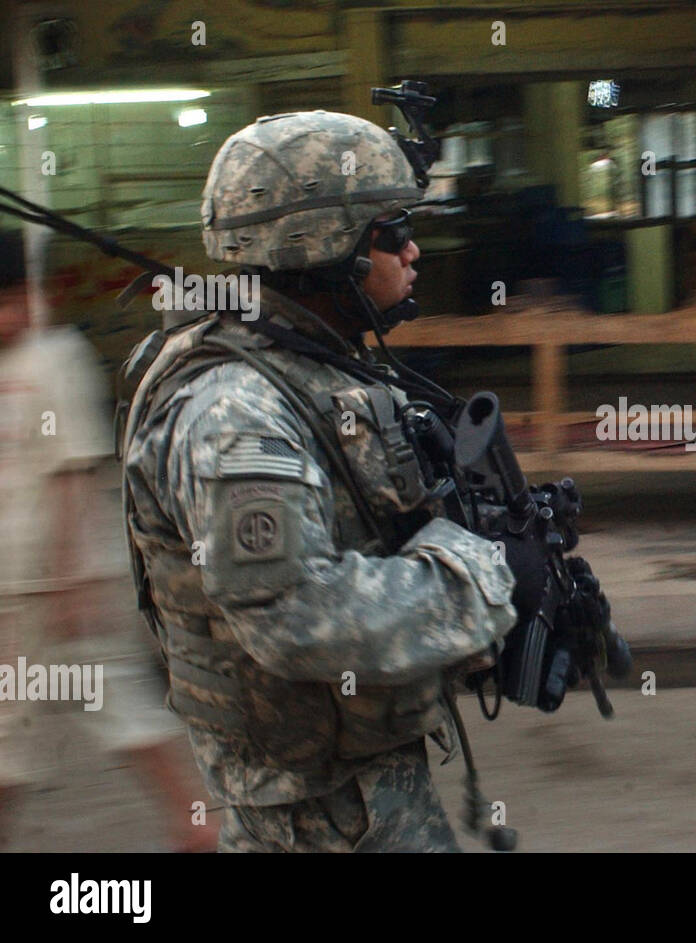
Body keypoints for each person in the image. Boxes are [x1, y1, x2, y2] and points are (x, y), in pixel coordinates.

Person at [119, 111, 524, 852]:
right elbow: (296, 615)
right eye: (389, 232)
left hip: (355, 789)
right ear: (325, 247)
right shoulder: (236, 413)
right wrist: (476, 581)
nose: (413, 249)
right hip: (316, 817)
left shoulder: (309, 364)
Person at [0, 230, 219, 851]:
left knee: (122, 713)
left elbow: (75, 470)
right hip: (12, 591)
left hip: (69, 588)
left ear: (26, 294)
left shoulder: (54, 358)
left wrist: (71, 581)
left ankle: (197, 824)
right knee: (7, 736)